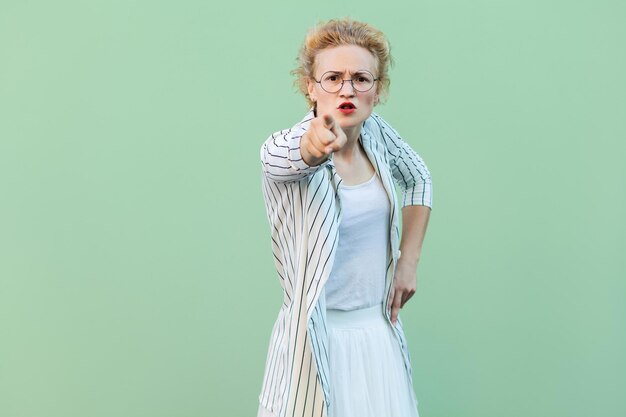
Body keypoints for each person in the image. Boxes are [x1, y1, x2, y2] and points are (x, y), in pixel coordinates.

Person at [257, 18, 432, 417]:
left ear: (378, 90)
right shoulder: (282, 147)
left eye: (361, 79)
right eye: (333, 78)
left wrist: (408, 261)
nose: (347, 89)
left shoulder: (378, 135)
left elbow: (419, 179)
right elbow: (288, 157)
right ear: (310, 87)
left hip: (376, 336)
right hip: (317, 341)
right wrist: (315, 146)